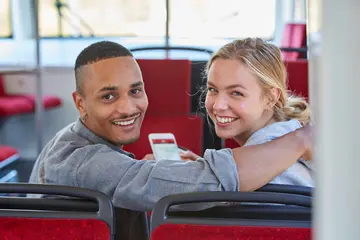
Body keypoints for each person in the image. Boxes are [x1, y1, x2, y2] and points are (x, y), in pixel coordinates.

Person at [29, 41, 313, 212]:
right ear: (80, 103)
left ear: (271, 96)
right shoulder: (82, 160)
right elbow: (214, 183)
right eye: (108, 96)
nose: (128, 107)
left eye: (136, 91)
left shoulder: (67, 139)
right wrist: (302, 139)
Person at [182, 38, 314, 187]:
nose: (218, 105)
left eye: (236, 93)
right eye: (213, 89)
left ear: (271, 98)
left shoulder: (266, 173)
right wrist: (207, 174)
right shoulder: (286, 134)